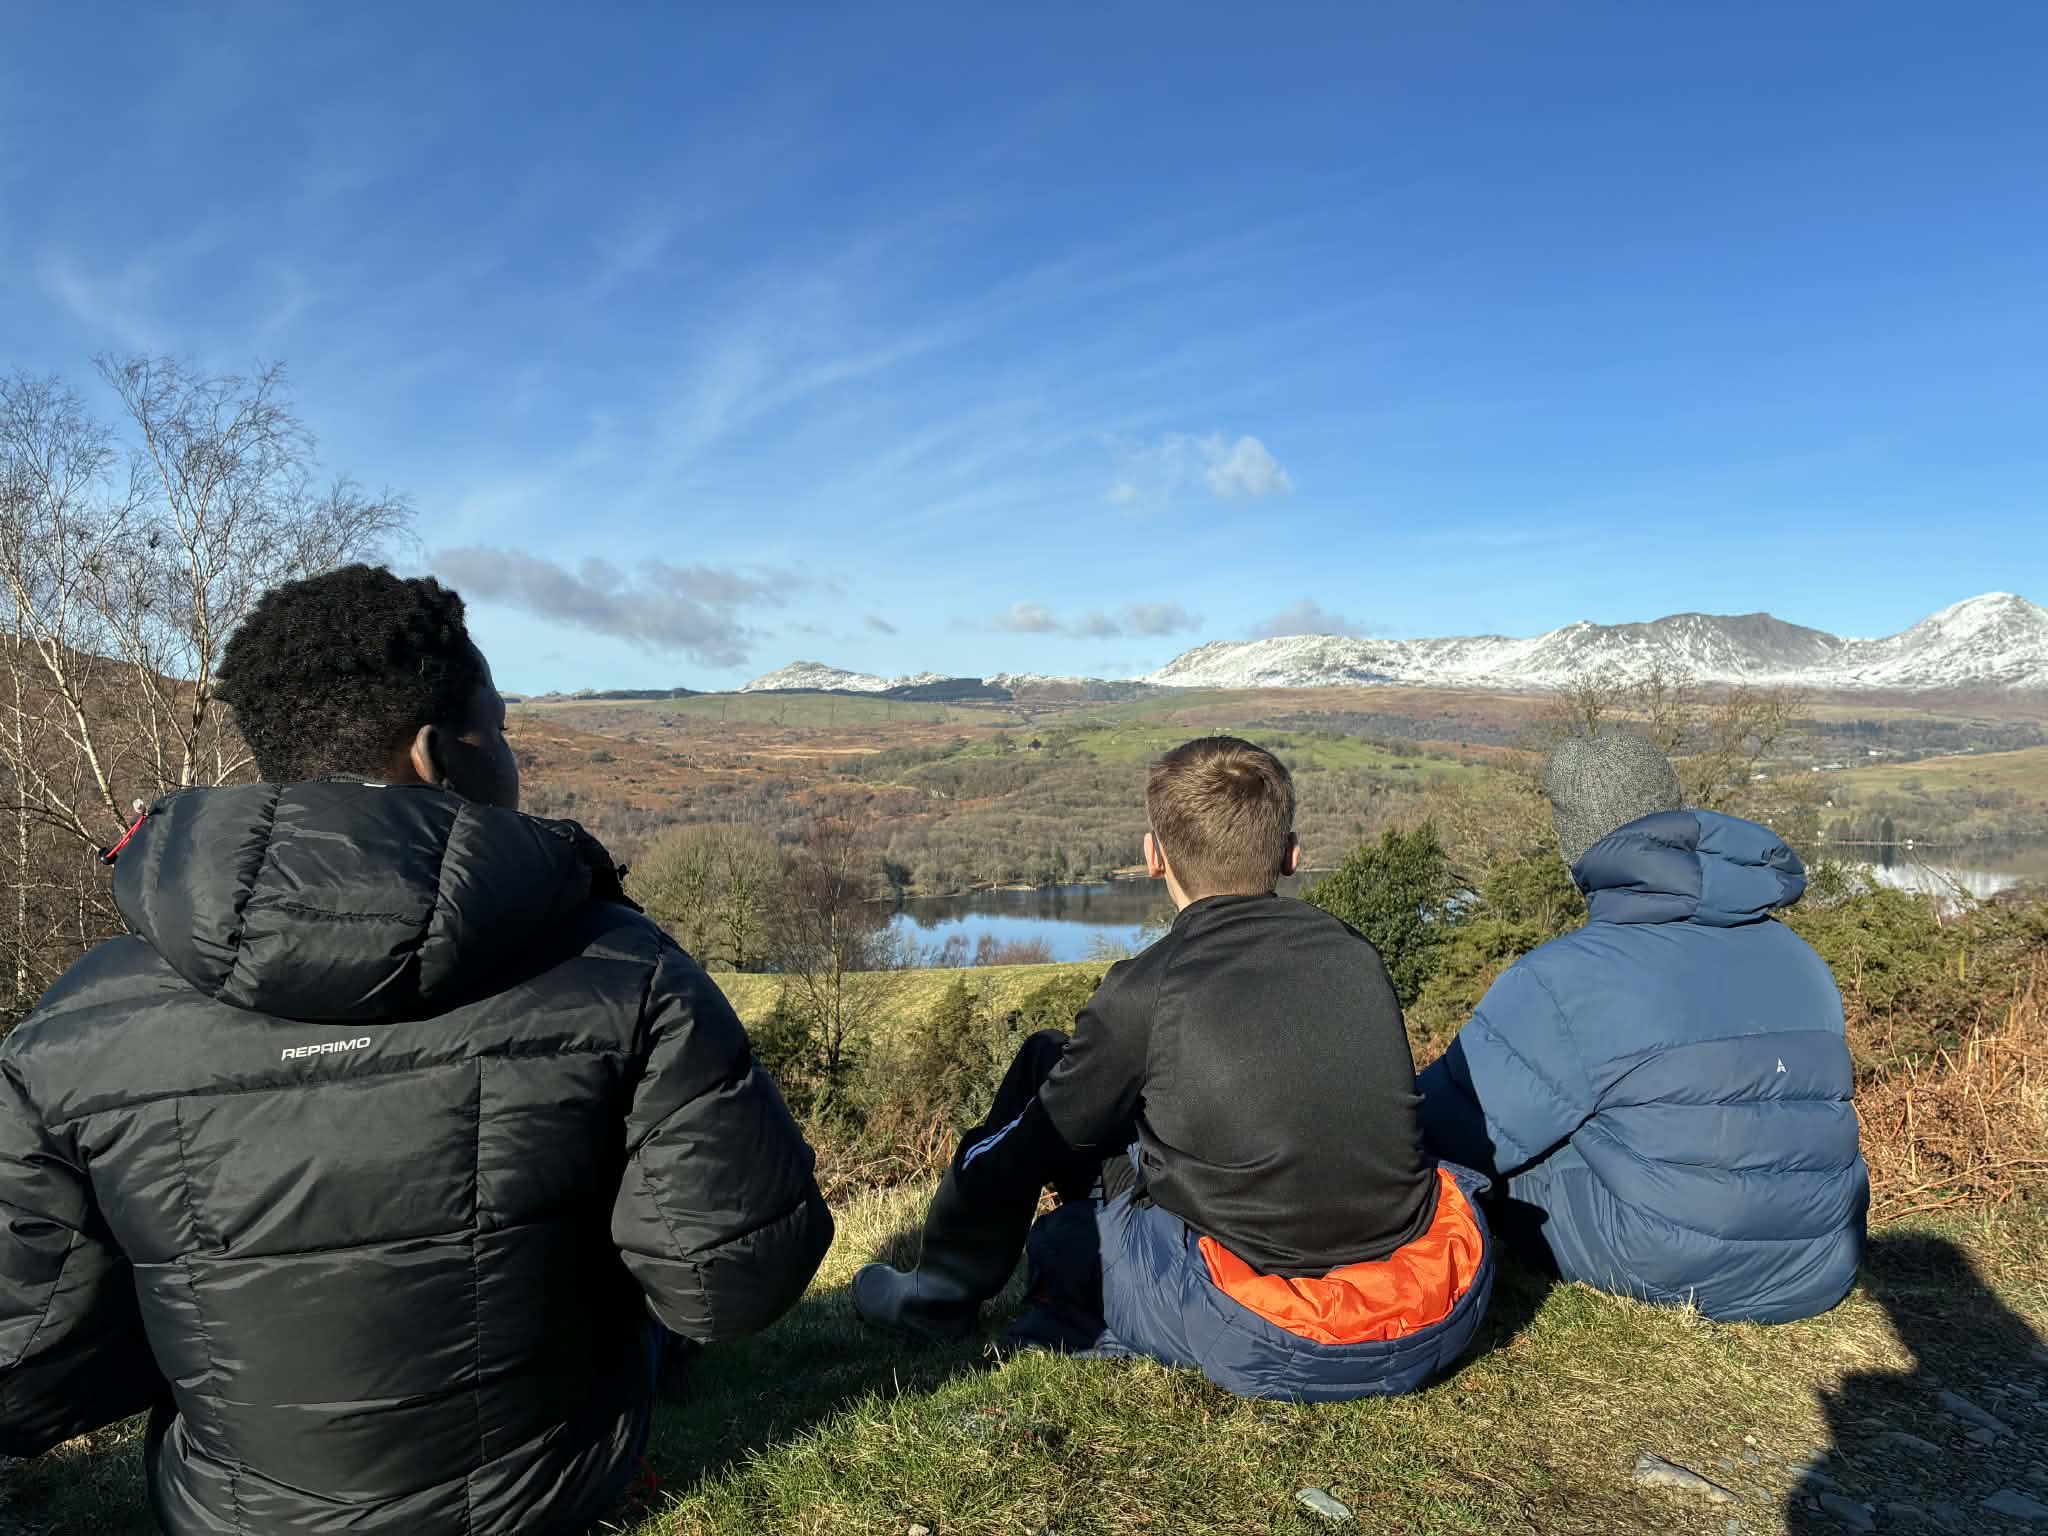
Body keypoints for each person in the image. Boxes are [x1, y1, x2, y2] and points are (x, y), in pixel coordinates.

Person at [0, 565, 833, 1535]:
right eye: (500, 730)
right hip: (551, 1496)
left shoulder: (78, 1021)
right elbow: (733, 1285)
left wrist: (209, 1336)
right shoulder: (622, 966)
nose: (511, 757)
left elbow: (25, 1367)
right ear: (435, 754)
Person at [854, 736, 1492, 1401]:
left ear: (1153, 856)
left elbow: (1035, 1143)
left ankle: (933, 1297)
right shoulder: (1355, 955)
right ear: (1291, 854)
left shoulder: (1148, 989)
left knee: (1061, 1208)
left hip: (1261, 1318)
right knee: (1062, 1064)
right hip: (1423, 1294)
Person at [1416, 731, 1868, 1324]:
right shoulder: (1801, 958)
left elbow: (1450, 1130)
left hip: (1672, 1263)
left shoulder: (1570, 976)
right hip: (1824, 1256)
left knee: (1501, 1159)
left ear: (1574, 845)